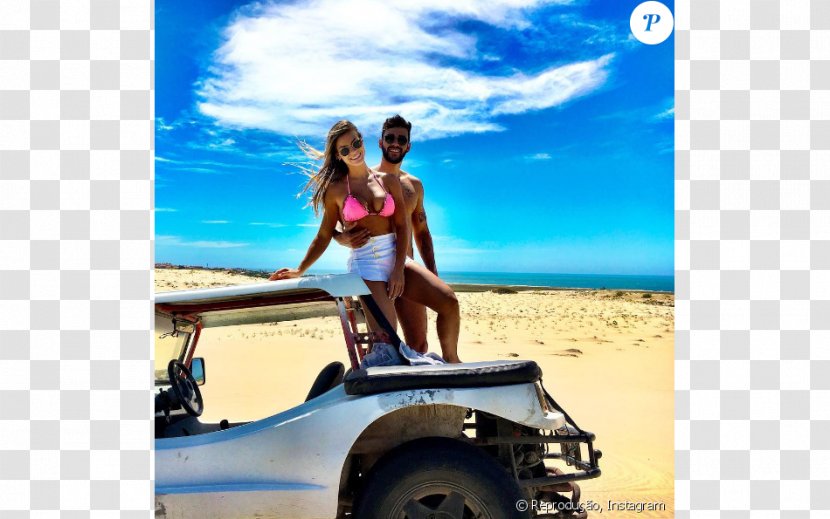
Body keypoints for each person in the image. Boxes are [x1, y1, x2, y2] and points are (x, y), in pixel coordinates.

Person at [334, 115, 460, 361]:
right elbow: (337, 230)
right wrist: (343, 240)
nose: (395, 142)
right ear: (380, 142)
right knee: (385, 343)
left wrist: (432, 274)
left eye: (401, 139)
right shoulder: (363, 180)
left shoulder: (414, 185)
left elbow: (422, 234)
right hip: (374, 270)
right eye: (390, 137)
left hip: (405, 270)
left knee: (419, 343)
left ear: (408, 146)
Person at [269, 120, 408, 333]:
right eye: (345, 149)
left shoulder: (388, 180)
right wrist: (300, 270)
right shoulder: (335, 190)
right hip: (366, 261)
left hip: (396, 255)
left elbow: (402, 225)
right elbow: (324, 233)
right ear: (338, 156)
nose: (353, 151)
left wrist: (399, 268)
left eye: (355, 143)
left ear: (362, 140)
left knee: (446, 300)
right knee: (388, 333)